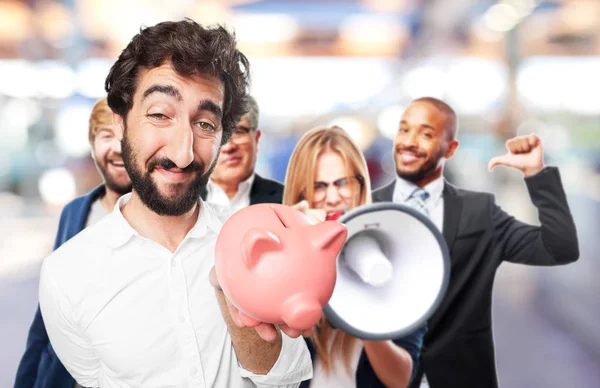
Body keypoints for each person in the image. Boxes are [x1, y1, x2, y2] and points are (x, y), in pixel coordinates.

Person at [38, 20, 311, 388]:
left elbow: (285, 381)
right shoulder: (67, 275)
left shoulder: (259, 243)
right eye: (159, 114)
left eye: (205, 124)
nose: (183, 154)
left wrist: (237, 302)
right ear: (120, 123)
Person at [372, 96, 579, 388]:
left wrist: (536, 175)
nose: (409, 141)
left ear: (451, 148)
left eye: (426, 134)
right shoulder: (366, 211)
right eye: (404, 130)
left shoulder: (480, 213)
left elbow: (559, 248)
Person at [283, 125, 426, 388]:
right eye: (319, 186)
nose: (333, 197)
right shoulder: (285, 257)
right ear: (301, 193)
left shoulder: (397, 259)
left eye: (342, 183)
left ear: (361, 185)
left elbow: (402, 379)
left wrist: (364, 314)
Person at [14, 97, 131, 388]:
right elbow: (47, 317)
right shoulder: (76, 212)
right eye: (106, 136)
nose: (116, 149)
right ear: (93, 146)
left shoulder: (163, 219)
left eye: (126, 138)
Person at [202, 94, 284, 208]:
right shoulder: (181, 200)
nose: (228, 146)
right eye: (217, 133)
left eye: (239, 131)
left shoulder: (287, 200)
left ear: (256, 138)